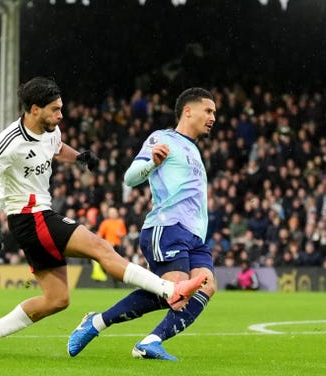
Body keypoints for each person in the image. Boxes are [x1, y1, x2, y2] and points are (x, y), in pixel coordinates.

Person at [0, 77, 205, 356]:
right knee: (101, 248)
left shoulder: (51, 129)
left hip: (39, 217)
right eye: (55, 109)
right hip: (30, 216)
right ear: (35, 109)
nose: (61, 115)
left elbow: (57, 148)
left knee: (57, 299)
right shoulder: (9, 140)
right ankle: (169, 289)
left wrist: (79, 157)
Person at [68, 87, 217, 360]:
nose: (213, 117)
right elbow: (130, 177)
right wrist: (152, 163)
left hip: (195, 236)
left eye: (214, 113)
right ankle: (99, 323)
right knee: (176, 291)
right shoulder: (162, 138)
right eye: (208, 111)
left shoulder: (194, 151)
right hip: (168, 227)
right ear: (188, 111)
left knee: (205, 286)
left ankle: (149, 340)